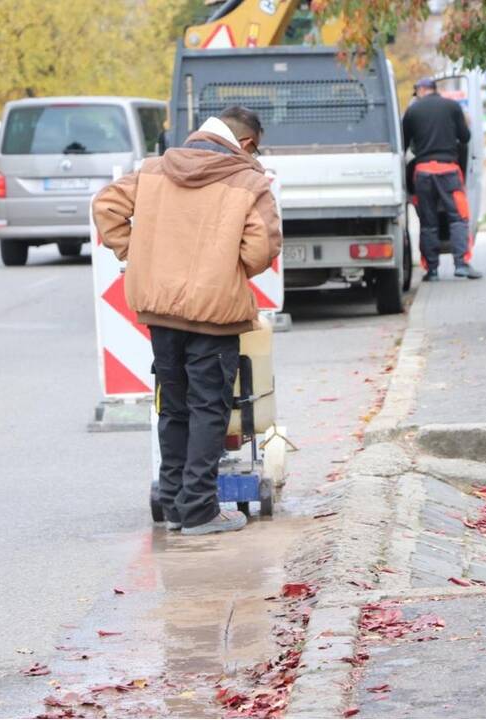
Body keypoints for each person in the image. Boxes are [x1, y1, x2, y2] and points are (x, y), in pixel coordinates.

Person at [93, 106, 283, 535]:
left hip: (159, 310)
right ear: (248, 144)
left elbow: (106, 207)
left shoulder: (153, 170)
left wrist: (136, 253)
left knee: (173, 407)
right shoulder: (249, 182)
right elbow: (260, 249)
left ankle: (177, 503)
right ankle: (199, 508)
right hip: (214, 314)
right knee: (209, 408)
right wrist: (222, 271)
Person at [402, 77, 483, 281]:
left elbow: (403, 146)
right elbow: (465, 137)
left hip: (423, 173)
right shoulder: (452, 106)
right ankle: (461, 264)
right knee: (458, 218)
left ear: (421, 90)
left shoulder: (412, 112)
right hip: (449, 171)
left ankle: (431, 270)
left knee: (428, 223)